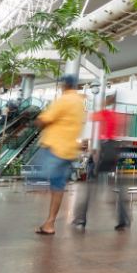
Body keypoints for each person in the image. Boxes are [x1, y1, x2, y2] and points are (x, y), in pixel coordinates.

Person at [34, 75, 85, 235]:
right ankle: (49, 223)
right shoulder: (79, 103)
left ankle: (36, 185)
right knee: (58, 187)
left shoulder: (65, 100)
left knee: (33, 176)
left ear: (66, 85)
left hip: (54, 147)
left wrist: (38, 121)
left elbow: (44, 119)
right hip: (69, 152)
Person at [74, 108, 130, 230]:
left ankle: (82, 216)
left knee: (93, 186)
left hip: (107, 149)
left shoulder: (106, 112)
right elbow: (125, 124)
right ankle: (124, 218)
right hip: (113, 148)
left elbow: (91, 117)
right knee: (113, 187)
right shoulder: (116, 114)